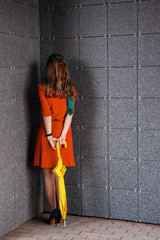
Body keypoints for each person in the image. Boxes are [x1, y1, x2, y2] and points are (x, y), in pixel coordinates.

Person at [33, 53, 77, 225]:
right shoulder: (71, 90)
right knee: (59, 173)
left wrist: (50, 136)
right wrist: (63, 135)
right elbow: (70, 113)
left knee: (47, 173)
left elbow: (46, 113)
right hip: (64, 134)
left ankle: (53, 213)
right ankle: (61, 211)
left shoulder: (42, 88)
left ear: (49, 71)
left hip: (47, 132)